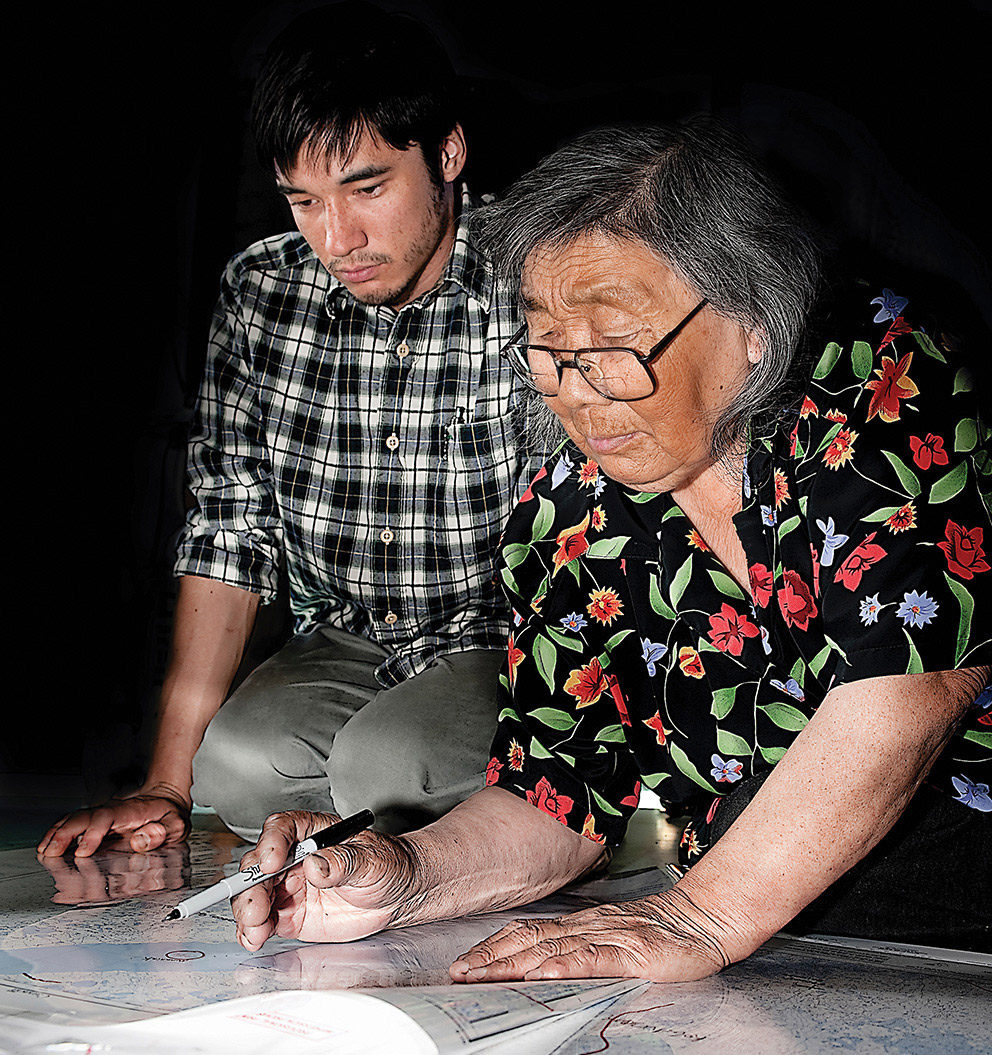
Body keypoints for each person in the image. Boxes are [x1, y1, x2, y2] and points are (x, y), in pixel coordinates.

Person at [229, 119, 991, 980]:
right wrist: (406, 874)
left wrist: (701, 914)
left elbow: (912, 686)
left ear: (752, 320)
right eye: (547, 351)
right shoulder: (573, 508)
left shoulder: (883, 377)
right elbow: (556, 793)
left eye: (611, 346)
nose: (577, 393)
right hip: (783, 873)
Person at [38, 2, 524, 856]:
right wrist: (165, 781)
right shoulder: (263, 293)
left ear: (447, 153)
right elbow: (231, 527)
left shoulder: (537, 276)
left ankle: (549, 816)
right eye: (304, 200)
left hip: (512, 640)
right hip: (346, 632)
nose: (338, 239)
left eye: (368, 188)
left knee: (388, 766)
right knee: (232, 770)